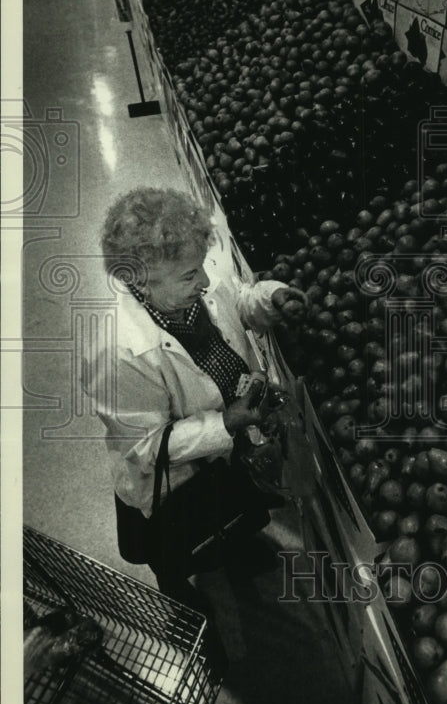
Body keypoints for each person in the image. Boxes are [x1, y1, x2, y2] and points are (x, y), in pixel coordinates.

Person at [86, 187, 306, 612]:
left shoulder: (194, 286)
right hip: (174, 478)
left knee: (235, 507)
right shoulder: (118, 353)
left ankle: (236, 552)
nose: (203, 281)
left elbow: (236, 299)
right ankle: (177, 592)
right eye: (189, 275)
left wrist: (270, 297)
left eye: (201, 267)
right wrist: (225, 425)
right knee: (176, 542)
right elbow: (146, 448)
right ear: (139, 281)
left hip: (230, 442)